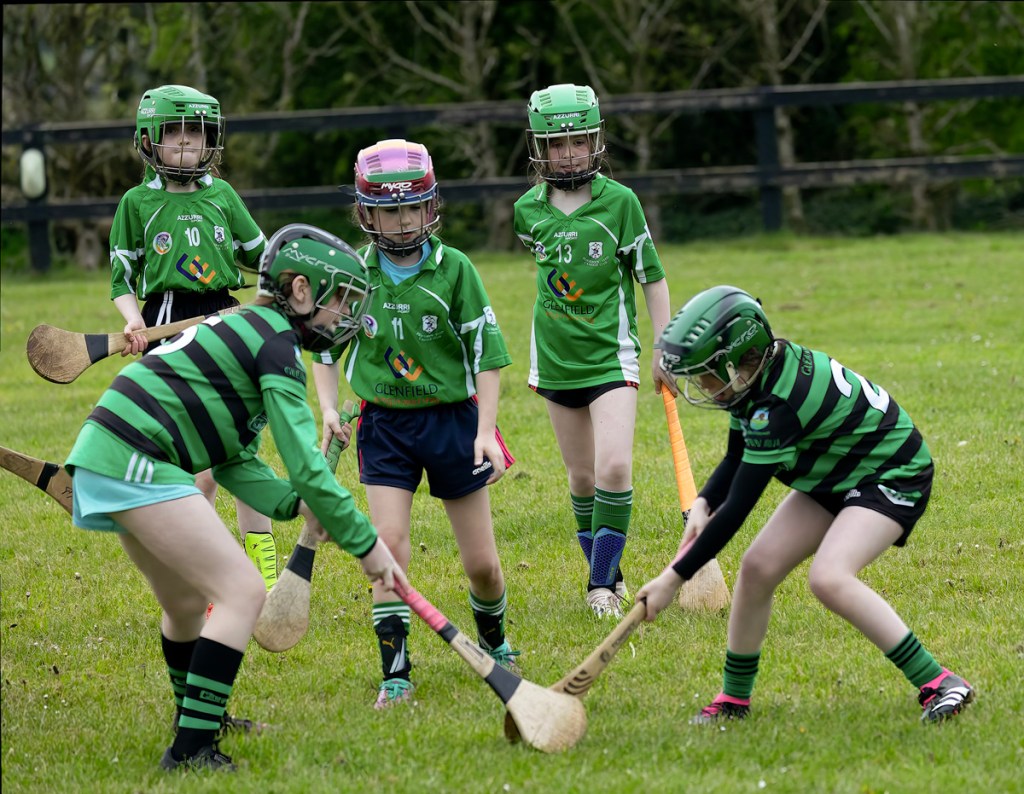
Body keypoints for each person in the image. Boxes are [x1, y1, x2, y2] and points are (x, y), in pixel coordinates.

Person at [65, 224, 405, 771]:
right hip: (136, 457)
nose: (344, 315)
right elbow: (306, 466)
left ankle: (199, 720)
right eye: (340, 299)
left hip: (110, 454)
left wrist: (296, 504)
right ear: (300, 290)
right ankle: (192, 749)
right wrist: (368, 548)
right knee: (242, 591)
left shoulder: (248, 328)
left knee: (184, 605)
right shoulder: (277, 345)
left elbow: (233, 460)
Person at [637, 285, 974, 724]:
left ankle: (940, 681)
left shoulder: (775, 406)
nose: (701, 386)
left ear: (734, 361)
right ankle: (734, 700)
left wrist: (672, 579)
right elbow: (736, 456)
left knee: (829, 577)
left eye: (706, 375)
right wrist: (704, 501)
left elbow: (739, 507)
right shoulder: (756, 377)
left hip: (891, 475)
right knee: (758, 567)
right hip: (837, 473)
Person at [312, 139, 518, 709]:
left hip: (453, 423)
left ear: (431, 207)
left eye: (413, 207)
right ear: (365, 213)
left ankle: (496, 641)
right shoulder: (353, 273)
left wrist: (485, 431)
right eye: (390, 210)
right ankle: (396, 673)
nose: (404, 221)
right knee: (389, 548)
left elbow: (489, 357)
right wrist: (327, 407)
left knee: (482, 565)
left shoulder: (455, 270)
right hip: (385, 427)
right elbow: (324, 348)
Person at [513, 83, 677, 619]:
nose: (568, 154)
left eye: (578, 141)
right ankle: (610, 572)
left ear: (595, 141)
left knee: (614, 467)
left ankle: (600, 584)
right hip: (555, 360)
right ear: (540, 148)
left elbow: (651, 276)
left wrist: (664, 344)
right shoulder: (526, 211)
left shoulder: (620, 203)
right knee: (582, 478)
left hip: (612, 356)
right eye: (556, 144)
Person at [107, 84, 279, 592]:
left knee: (240, 450)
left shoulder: (223, 196)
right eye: (174, 132)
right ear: (148, 140)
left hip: (226, 318)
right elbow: (121, 279)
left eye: (196, 132)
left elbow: (264, 256)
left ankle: (264, 573)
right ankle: (204, 577)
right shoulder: (137, 203)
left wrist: (292, 279)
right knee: (194, 465)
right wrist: (132, 321)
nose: (186, 142)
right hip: (167, 322)